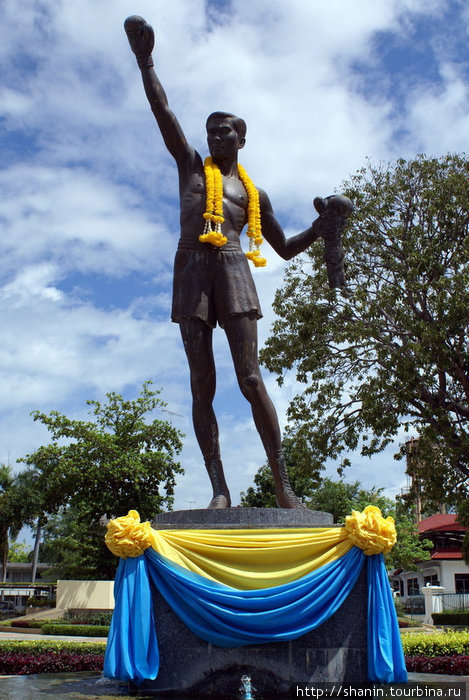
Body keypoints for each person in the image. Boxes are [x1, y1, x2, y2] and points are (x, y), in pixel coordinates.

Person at [124, 16, 351, 509]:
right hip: (191, 271)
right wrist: (145, 62)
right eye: (210, 132)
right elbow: (162, 110)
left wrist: (323, 227)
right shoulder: (190, 167)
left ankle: (283, 486)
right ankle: (219, 490)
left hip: (233, 270)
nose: (214, 139)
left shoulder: (254, 194)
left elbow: (285, 248)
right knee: (201, 382)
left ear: (241, 139)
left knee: (250, 379)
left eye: (224, 132)